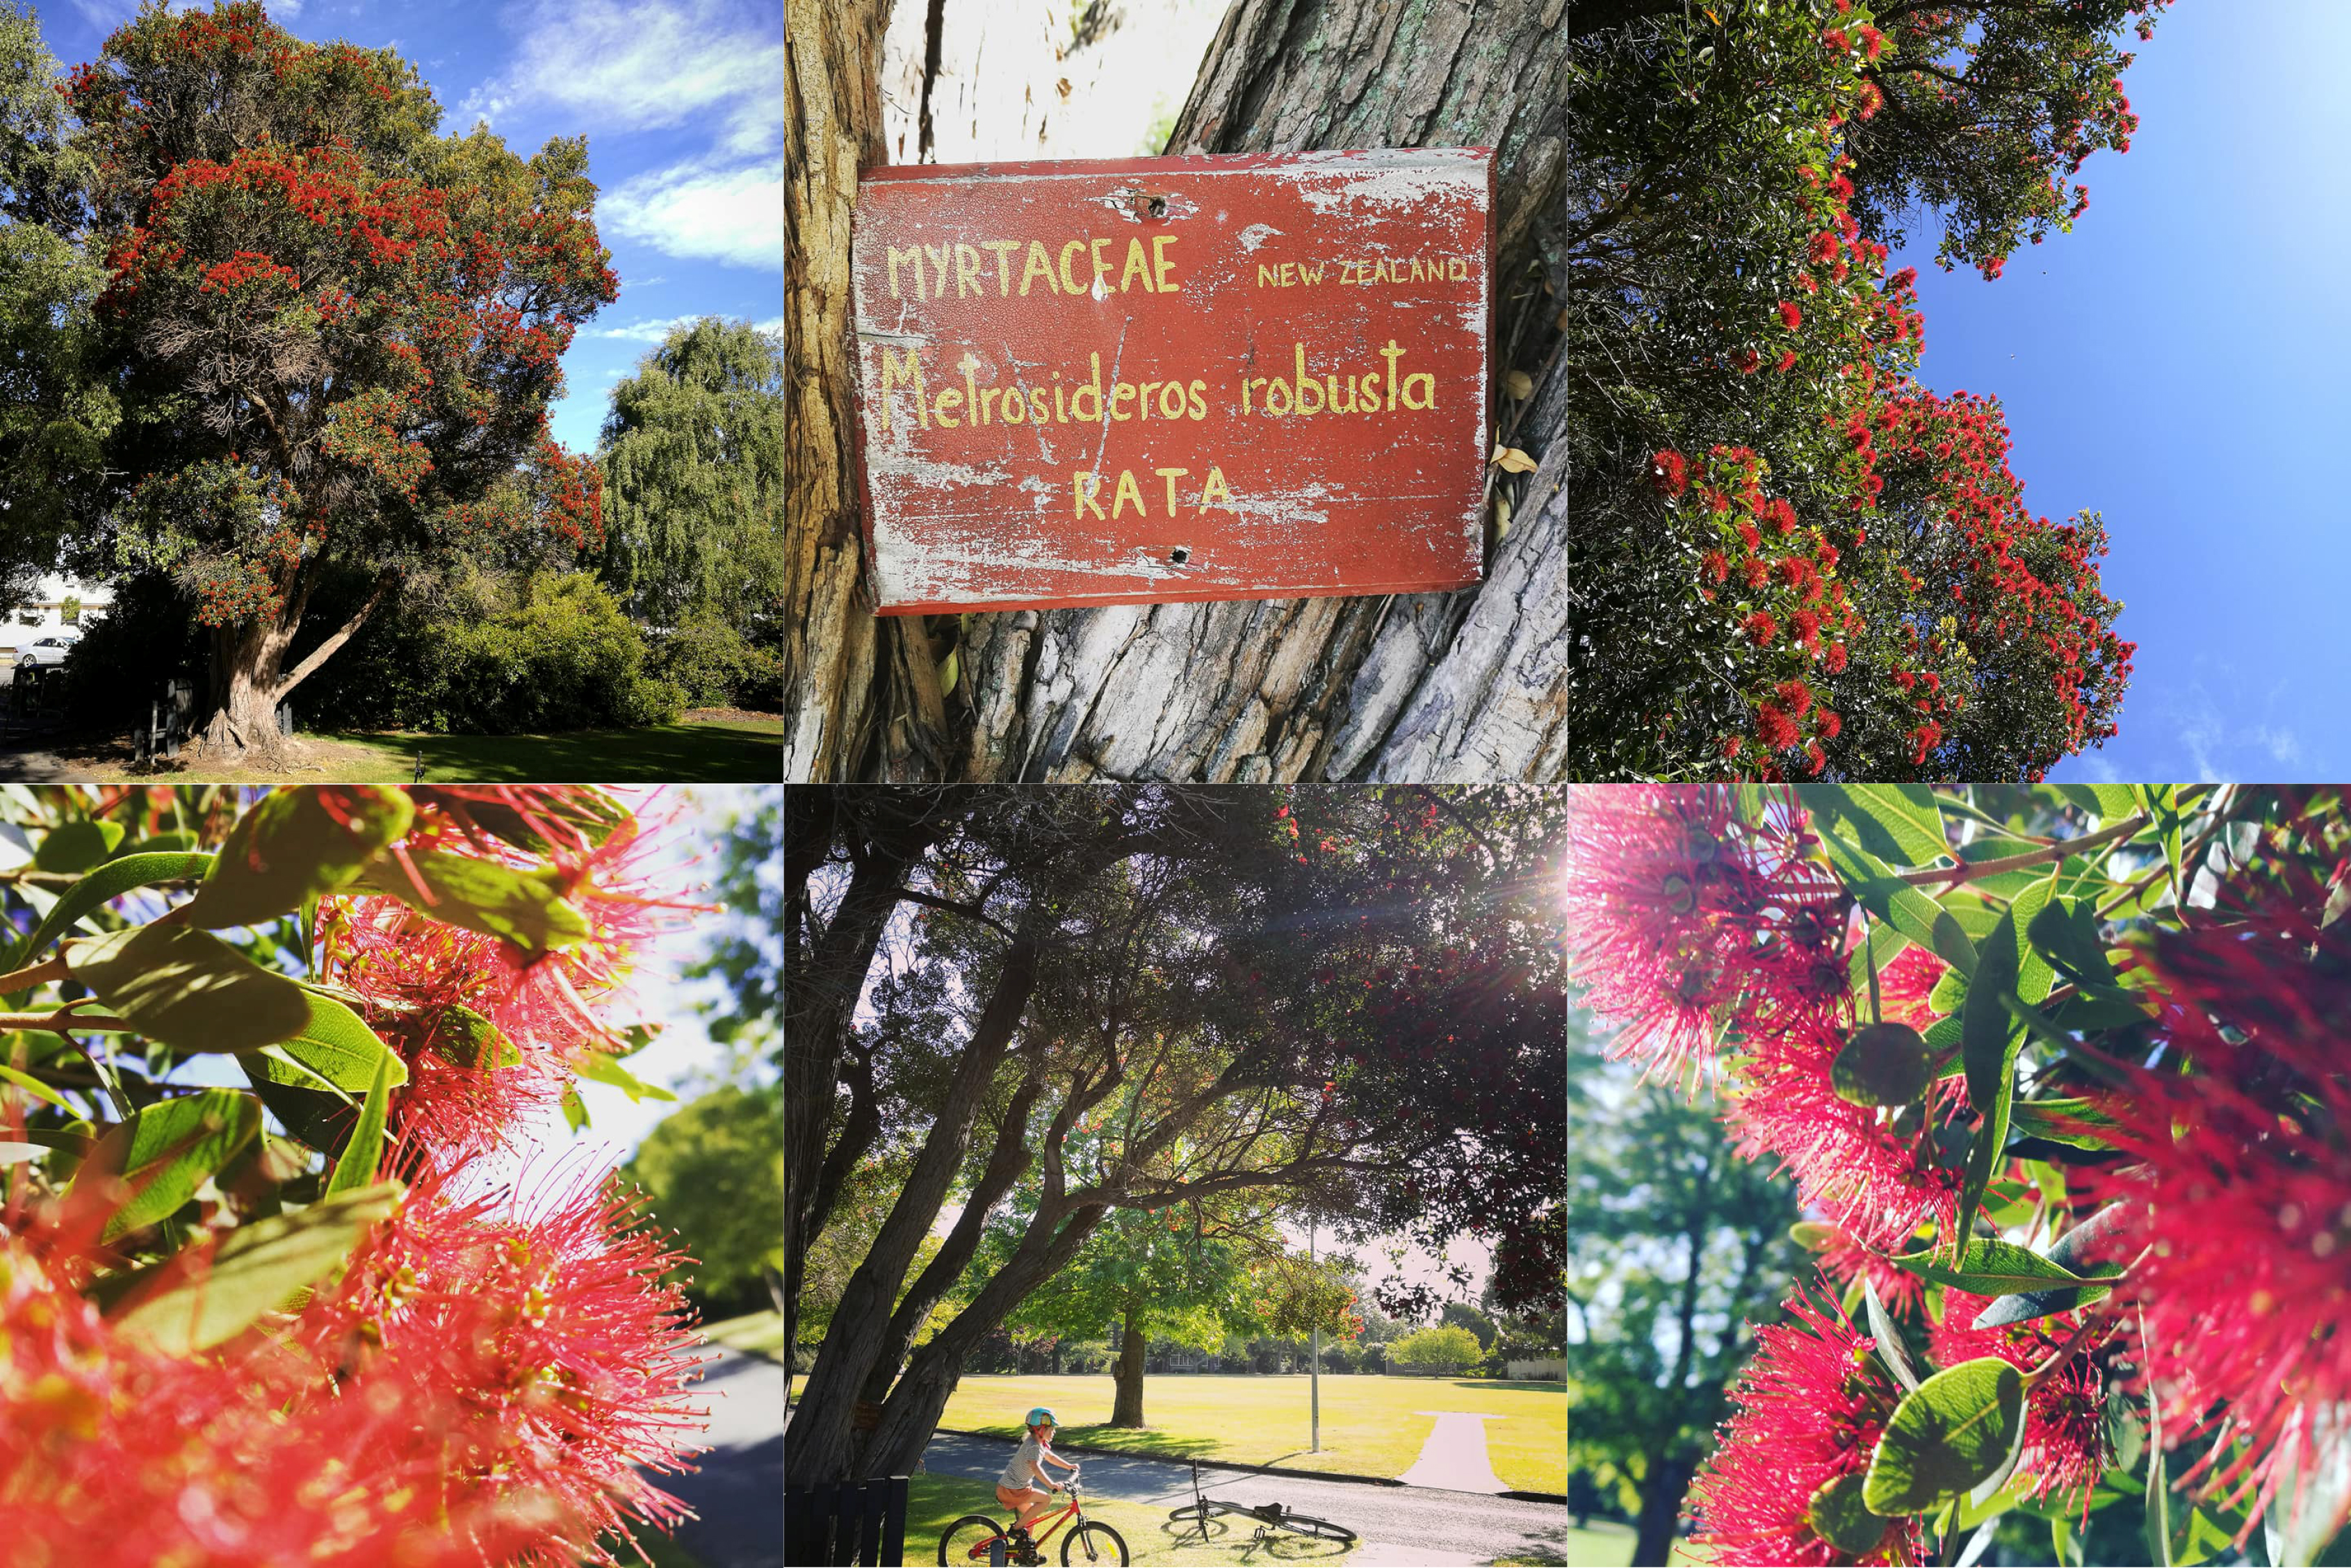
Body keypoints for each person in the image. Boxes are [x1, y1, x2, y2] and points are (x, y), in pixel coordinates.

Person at [995, 1406, 1079, 1547]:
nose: (1054, 1432)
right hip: (1013, 1489)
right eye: (1052, 1429)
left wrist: (1069, 1466)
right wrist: (1051, 1485)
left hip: (1015, 1488)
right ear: (1040, 1429)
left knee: (1031, 1521)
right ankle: (1016, 1530)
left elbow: (1051, 1458)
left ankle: (1023, 1552)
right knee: (1046, 1499)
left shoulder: (1038, 1444)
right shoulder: (1034, 1446)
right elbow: (1036, 1468)